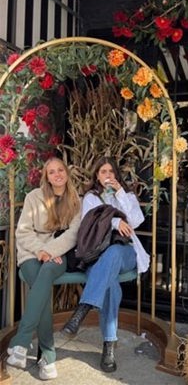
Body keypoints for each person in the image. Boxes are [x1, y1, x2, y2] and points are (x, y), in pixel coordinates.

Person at [61, 158, 149, 373]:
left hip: (125, 251)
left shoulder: (127, 196)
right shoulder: (91, 197)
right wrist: (116, 221)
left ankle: (82, 310)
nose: (107, 175)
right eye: (103, 171)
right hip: (97, 255)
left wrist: (119, 193)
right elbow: (90, 222)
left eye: (111, 171)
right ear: (97, 176)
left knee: (114, 253)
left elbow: (137, 221)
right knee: (109, 284)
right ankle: (109, 345)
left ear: (117, 175)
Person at [6, 158, 81, 381]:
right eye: (51, 172)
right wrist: (41, 250)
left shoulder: (75, 200)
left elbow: (73, 235)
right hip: (30, 253)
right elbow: (23, 232)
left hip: (58, 253)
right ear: (46, 177)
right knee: (43, 290)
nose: (57, 175)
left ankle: (21, 341)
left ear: (66, 173)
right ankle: (48, 354)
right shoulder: (33, 197)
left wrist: (51, 251)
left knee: (46, 273)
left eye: (60, 170)